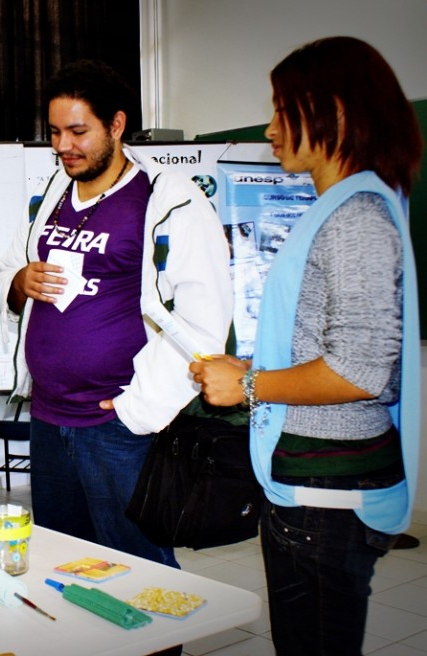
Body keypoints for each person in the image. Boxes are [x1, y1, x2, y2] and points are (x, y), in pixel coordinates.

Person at [189, 37, 421, 655]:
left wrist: (248, 384)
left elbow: (361, 369)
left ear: (335, 113)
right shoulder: (344, 207)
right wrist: (249, 369)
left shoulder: (355, 218)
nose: (269, 128)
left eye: (282, 108)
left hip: (327, 501)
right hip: (318, 489)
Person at [0, 60, 233, 568]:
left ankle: (161, 650)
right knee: (66, 564)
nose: (63, 146)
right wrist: (19, 283)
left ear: (116, 125)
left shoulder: (166, 199)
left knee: (138, 569)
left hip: (117, 426)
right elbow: (8, 272)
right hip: (49, 417)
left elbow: (202, 318)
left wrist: (135, 410)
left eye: (79, 131)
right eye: (56, 132)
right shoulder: (49, 199)